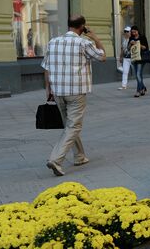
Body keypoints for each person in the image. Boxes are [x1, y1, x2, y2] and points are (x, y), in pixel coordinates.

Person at [42, 14, 106, 176]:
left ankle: (79, 156)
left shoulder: (53, 42)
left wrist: (48, 89)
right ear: (82, 27)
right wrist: (95, 37)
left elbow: (46, 67)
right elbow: (103, 56)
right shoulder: (84, 43)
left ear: (69, 25)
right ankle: (56, 160)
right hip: (76, 92)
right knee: (73, 126)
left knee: (69, 125)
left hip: (57, 91)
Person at [128, 26, 149, 98]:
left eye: (135, 32)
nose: (134, 34)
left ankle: (138, 91)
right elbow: (128, 48)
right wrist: (131, 43)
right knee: (139, 75)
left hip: (141, 58)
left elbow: (146, 47)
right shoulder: (131, 38)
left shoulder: (142, 37)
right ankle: (143, 88)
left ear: (138, 31)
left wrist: (138, 44)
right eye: (132, 32)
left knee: (137, 75)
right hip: (134, 58)